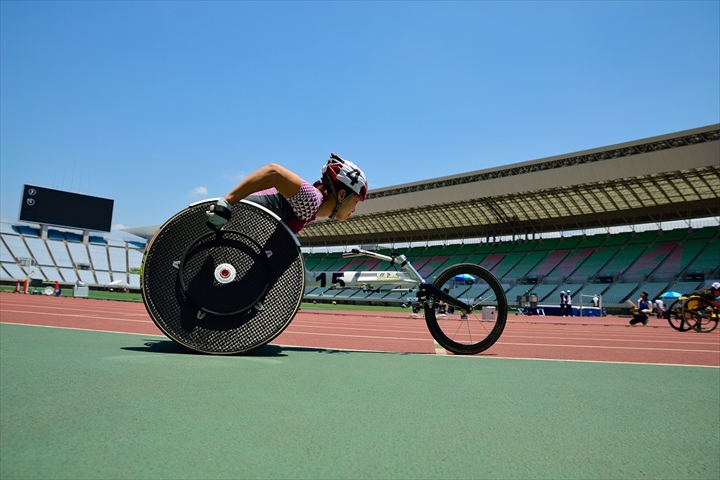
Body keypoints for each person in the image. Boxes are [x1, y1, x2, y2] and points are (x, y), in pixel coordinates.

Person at [206, 153, 368, 233]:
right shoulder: (312, 201)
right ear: (341, 195)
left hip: (232, 227)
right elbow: (274, 172)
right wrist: (227, 202)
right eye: (356, 201)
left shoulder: (312, 210)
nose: (354, 210)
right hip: (223, 223)